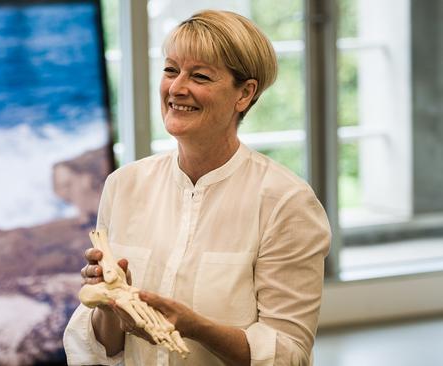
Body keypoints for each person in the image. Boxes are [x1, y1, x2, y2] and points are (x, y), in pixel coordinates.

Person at [63, 9, 331, 366]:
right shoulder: (123, 185)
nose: (176, 88)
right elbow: (105, 349)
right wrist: (110, 301)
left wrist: (196, 327)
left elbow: (288, 353)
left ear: (245, 94)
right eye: (171, 70)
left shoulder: (286, 203)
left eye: (200, 76)